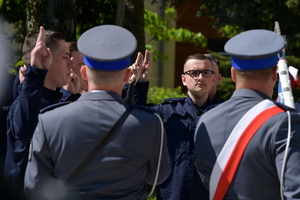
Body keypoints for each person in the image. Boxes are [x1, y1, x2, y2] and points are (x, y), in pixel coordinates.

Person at [24, 24, 172, 200]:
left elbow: (33, 186)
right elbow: (157, 179)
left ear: (84, 73)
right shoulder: (151, 123)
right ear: (126, 76)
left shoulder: (50, 119)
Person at [194, 29, 300, 199]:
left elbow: (206, 179)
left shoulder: (205, 120)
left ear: (233, 74)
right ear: (275, 74)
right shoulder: (285, 121)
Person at [132, 53, 224, 200]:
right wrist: (140, 84)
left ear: (214, 78)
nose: (200, 78)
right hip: (172, 193)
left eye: (206, 73)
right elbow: (136, 120)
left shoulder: (225, 114)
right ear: (184, 80)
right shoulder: (167, 111)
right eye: (193, 73)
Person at [4, 26, 74, 194]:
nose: (71, 63)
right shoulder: (25, 103)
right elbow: (26, 130)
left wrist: (72, 97)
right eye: (65, 57)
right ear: (45, 58)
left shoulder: (55, 98)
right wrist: (36, 73)